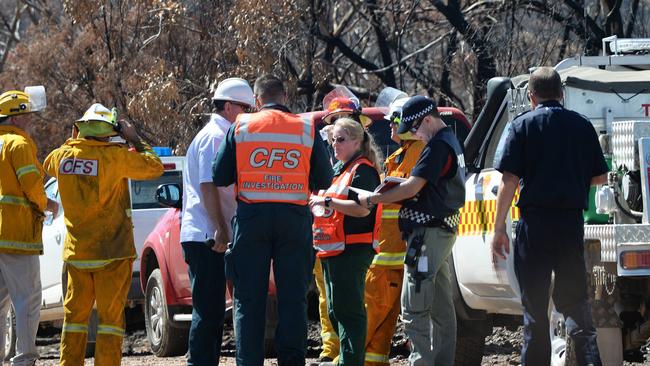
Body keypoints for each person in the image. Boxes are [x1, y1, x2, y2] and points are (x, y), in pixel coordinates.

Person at [212, 74, 333, 366]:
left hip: (252, 219)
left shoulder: (241, 126)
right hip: (294, 219)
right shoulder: (306, 127)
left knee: (249, 300)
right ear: (286, 97)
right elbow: (325, 178)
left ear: (256, 101)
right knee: (293, 300)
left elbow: (220, 175)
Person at [490, 67, 604, 366]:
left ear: (531, 97)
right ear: (561, 94)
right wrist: (571, 179)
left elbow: (509, 181)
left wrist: (498, 227)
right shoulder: (582, 125)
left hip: (534, 226)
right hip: (569, 225)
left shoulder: (522, 125)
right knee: (576, 304)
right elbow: (600, 177)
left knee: (535, 309)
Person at [44, 103, 163, 365]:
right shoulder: (115, 157)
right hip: (112, 253)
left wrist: (75, 138)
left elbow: (47, 165)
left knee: (74, 321)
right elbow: (154, 167)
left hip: (78, 256)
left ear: (81, 128)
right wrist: (134, 139)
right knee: (110, 323)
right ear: (109, 131)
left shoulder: (62, 156)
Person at [358, 96, 466, 366]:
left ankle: (420, 362)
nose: (414, 134)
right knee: (442, 309)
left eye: (415, 128)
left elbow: (412, 187)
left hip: (427, 234)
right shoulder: (450, 141)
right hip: (442, 231)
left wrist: (372, 199)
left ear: (427, 119)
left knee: (413, 307)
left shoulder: (437, 146)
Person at [180, 78, 254, 365]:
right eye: (244, 108)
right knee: (209, 310)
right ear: (227, 106)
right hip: (208, 236)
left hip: (210, 234)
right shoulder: (215, 137)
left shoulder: (222, 134)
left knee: (210, 311)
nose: (248, 113)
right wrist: (221, 229)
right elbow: (208, 186)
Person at [310, 117, 383, 366]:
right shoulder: (339, 170)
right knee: (336, 309)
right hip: (333, 250)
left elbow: (363, 209)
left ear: (356, 142)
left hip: (352, 249)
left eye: (340, 140)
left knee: (349, 312)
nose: (334, 145)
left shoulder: (363, 170)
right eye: (332, 140)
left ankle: (350, 362)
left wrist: (328, 202)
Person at [363, 97, 425, 365]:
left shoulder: (419, 150)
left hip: (396, 253)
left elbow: (411, 190)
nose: (390, 126)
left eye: (394, 121)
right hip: (389, 251)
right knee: (382, 318)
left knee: (373, 311)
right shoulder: (399, 154)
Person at [0, 89, 56, 366]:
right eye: (27, 115)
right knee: (27, 300)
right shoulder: (19, 145)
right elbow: (33, 186)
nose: (31, 120)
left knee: (1, 304)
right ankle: (25, 359)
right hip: (16, 235)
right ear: (16, 118)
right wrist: (49, 205)